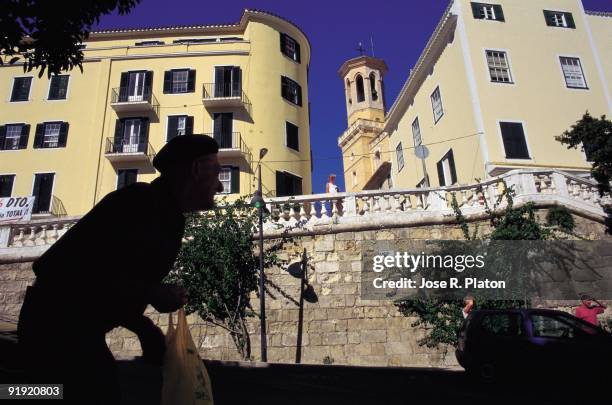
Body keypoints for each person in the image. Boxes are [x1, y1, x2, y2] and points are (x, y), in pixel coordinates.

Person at [18, 135, 223, 404]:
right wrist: (151, 293)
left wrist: (143, 326)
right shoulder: (139, 203)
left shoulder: (166, 215)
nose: (219, 185)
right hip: (55, 331)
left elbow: (106, 279)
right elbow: (61, 269)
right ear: (196, 170)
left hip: (71, 330)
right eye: (217, 173)